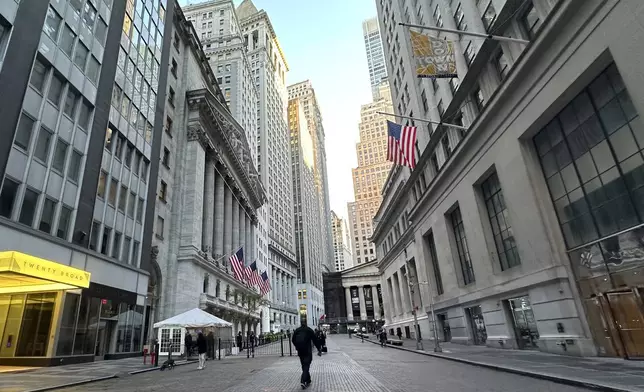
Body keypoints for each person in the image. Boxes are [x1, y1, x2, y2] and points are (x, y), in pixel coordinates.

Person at [292, 320, 321, 389]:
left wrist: (297, 347)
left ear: (301, 323)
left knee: (304, 365)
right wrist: (319, 349)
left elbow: (293, 340)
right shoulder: (309, 330)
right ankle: (303, 381)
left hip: (300, 351)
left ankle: (308, 380)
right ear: (306, 323)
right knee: (306, 365)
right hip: (307, 351)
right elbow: (315, 340)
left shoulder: (297, 330)